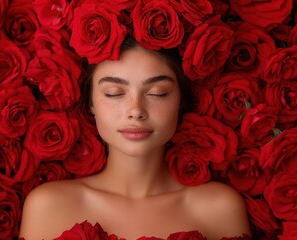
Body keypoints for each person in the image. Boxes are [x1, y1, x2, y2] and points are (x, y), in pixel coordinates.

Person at [19, 36, 251, 240]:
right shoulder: (49, 207)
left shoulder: (218, 208)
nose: (136, 110)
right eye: (114, 93)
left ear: (180, 101)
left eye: (157, 93)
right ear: (90, 103)